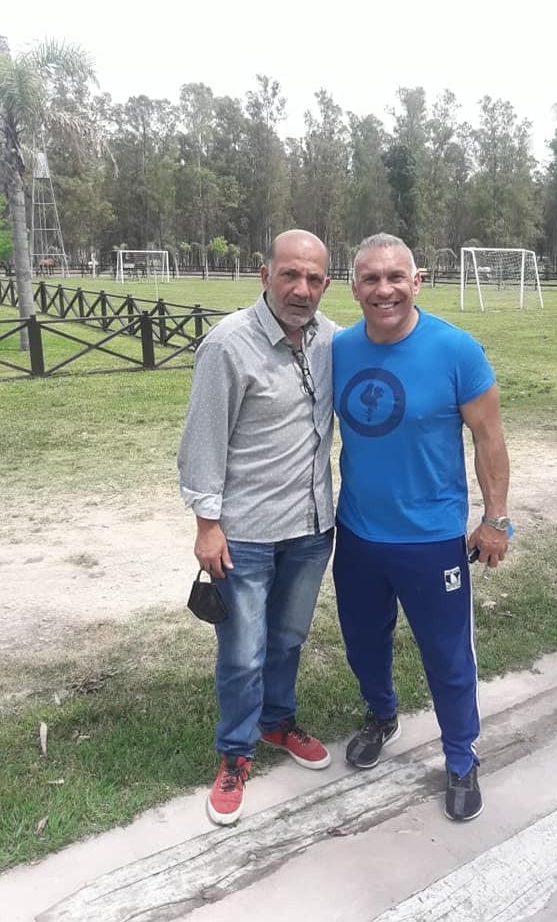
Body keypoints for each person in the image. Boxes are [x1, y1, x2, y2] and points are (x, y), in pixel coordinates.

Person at [332, 233, 511, 822]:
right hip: (358, 535)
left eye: (395, 277)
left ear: (417, 281)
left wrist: (496, 519)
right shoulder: (339, 350)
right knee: (363, 642)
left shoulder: (457, 351)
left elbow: (489, 439)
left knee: (447, 655)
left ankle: (460, 757)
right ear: (353, 286)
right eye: (370, 278)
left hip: (431, 540)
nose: (383, 289)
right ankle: (382, 715)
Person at [178, 229, 335, 826]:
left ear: (326, 283)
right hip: (244, 533)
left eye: (313, 278)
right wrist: (207, 526)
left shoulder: (331, 340)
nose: (301, 289)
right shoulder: (228, 344)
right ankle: (235, 753)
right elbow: (202, 441)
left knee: (289, 638)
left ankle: (276, 722)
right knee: (243, 653)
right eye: (289, 274)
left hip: (311, 527)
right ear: (264, 274)